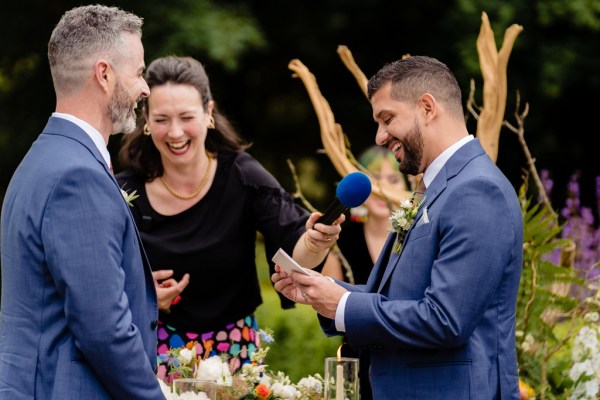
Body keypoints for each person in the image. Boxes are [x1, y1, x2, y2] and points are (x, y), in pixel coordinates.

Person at [272, 55, 524, 399]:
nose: (379, 136)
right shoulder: (436, 188)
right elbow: (400, 300)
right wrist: (321, 292)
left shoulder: (477, 190)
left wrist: (343, 305)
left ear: (427, 107)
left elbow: (445, 320)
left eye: (387, 118)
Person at [116, 55, 343, 375]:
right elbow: (97, 280)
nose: (175, 132)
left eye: (186, 116)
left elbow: (296, 250)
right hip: (149, 357)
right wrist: (142, 295)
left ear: (209, 113)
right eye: (162, 119)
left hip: (234, 356)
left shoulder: (243, 175)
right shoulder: (123, 192)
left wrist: (317, 242)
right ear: (146, 122)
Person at [0, 5, 165, 399]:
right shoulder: (79, 176)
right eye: (139, 72)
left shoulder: (41, 158)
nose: (145, 89)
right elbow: (103, 328)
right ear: (104, 75)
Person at [321, 145, 409, 284]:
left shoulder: (418, 236)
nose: (383, 189)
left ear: (405, 187)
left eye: (393, 180)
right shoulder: (339, 243)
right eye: (374, 179)